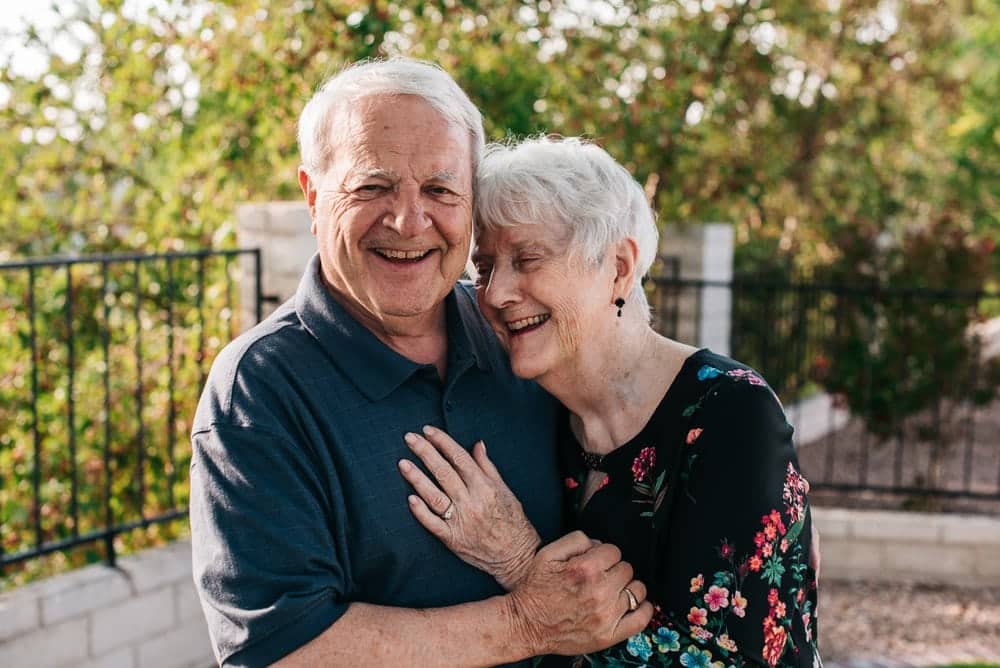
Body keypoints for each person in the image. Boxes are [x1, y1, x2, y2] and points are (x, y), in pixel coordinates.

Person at [189, 60, 653, 667]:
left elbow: (641, 443)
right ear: (312, 194)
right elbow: (281, 653)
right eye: (372, 187)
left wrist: (760, 495)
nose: (409, 221)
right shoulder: (258, 392)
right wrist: (526, 622)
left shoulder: (515, 329)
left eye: (439, 190)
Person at [399, 136, 822, 667]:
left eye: (527, 258)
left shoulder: (730, 413)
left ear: (619, 267)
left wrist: (522, 562)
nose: (495, 293)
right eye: (483, 267)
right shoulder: (535, 401)